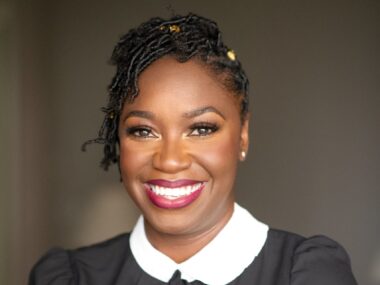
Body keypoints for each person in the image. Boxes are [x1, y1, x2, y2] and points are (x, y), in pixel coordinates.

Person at [29, 13, 357, 285]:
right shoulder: (67, 277)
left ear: (243, 134)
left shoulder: (307, 274)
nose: (170, 161)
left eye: (201, 128)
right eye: (143, 131)